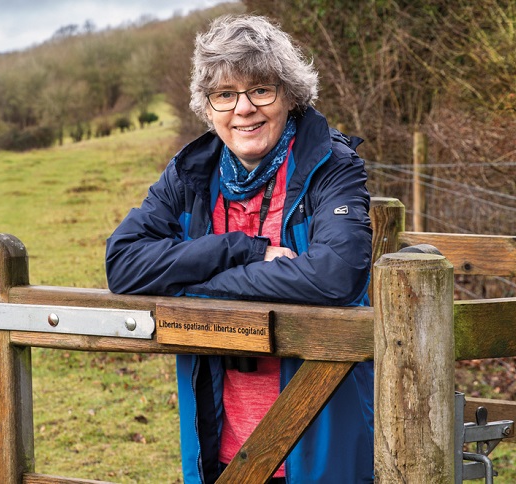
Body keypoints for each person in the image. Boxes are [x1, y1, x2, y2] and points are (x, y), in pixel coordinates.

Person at [106, 14, 373, 484]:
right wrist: (240, 249)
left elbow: (333, 277)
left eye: (260, 90)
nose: (243, 108)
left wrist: (188, 282)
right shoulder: (190, 173)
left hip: (320, 446)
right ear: (208, 107)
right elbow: (124, 264)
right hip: (221, 447)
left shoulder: (332, 166)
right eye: (225, 95)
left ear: (289, 95)